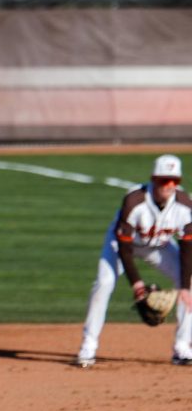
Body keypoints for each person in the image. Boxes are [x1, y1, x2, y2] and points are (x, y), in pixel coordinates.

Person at [76, 154, 192, 367]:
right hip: (121, 245)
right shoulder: (134, 201)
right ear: (153, 179)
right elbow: (124, 246)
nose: (168, 185)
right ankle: (88, 347)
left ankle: (182, 348)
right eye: (163, 180)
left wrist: (184, 287)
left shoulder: (185, 206)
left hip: (159, 246)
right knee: (104, 283)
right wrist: (137, 284)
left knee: (190, 285)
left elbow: (187, 248)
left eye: (174, 181)